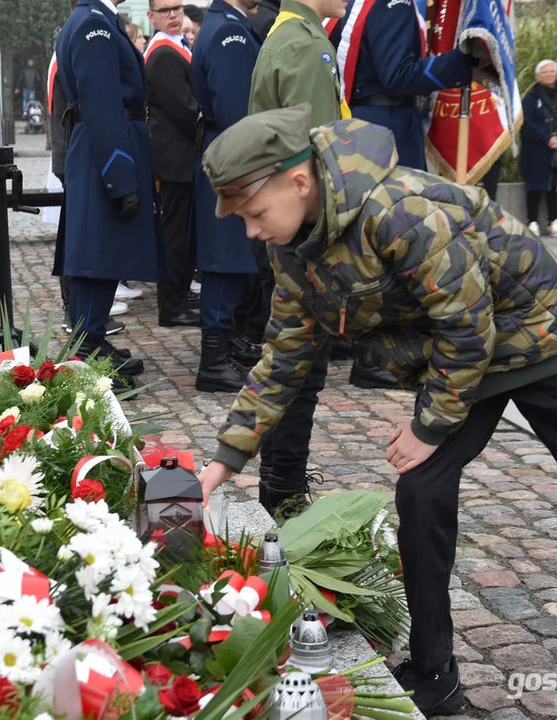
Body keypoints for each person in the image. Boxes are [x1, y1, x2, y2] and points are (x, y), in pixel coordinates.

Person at [197, 103, 557, 717]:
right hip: (467, 357)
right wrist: (223, 462)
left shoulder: (401, 211)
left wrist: (428, 426)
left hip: (543, 336)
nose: (253, 231)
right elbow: (284, 356)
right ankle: (434, 672)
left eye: (255, 214)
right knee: (421, 489)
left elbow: (466, 326)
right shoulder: (295, 247)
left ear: (299, 182)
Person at [246, 0, 349, 515]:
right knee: (301, 374)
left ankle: (278, 490)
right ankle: (283, 500)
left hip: (283, 220)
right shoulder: (308, 45)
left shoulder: (284, 34)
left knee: (293, 367)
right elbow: (323, 156)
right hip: (306, 230)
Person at [55, 0, 165, 381]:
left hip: (102, 148)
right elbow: (102, 104)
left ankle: (91, 338)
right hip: (107, 151)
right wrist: (120, 176)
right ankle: (85, 351)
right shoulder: (94, 24)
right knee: (97, 257)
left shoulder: (95, 19)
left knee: (100, 255)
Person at [193, 0, 264, 392]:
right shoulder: (229, 31)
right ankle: (214, 360)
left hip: (225, 152)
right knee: (224, 261)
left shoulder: (225, 23)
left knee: (230, 259)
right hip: (233, 156)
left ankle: (221, 353)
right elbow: (237, 111)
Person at [330, 0, 472, 171]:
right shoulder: (392, 3)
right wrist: (460, 63)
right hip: (390, 128)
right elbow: (398, 74)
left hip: (362, 121)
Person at [145, 0, 201, 328]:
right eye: (165, 10)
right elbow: (183, 108)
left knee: (182, 234)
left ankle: (179, 295)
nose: (173, 15)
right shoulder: (164, 52)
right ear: (151, 16)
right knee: (175, 236)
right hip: (174, 158)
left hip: (178, 156)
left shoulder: (175, 46)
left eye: (177, 8)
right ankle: (172, 306)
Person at [519, 59, 557, 238]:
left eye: (552, 71)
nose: (549, 75)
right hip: (536, 150)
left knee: (556, 187)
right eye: (544, 72)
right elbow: (527, 124)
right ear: (538, 76)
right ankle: (532, 221)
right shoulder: (531, 98)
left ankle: (554, 221)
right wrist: (547, 138)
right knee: (534, 187)